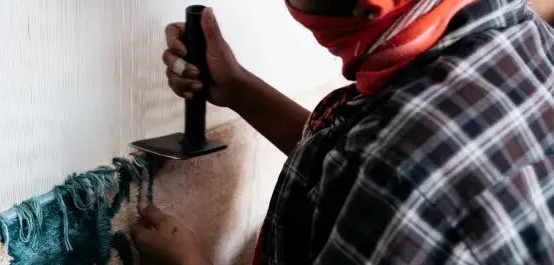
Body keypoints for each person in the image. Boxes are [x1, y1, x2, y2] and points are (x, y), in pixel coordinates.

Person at [129, 0, 554, 264]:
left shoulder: (403, 169)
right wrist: (238, 87)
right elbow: (363, 163)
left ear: (369, 6)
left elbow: (389, 169)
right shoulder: (521, 33)